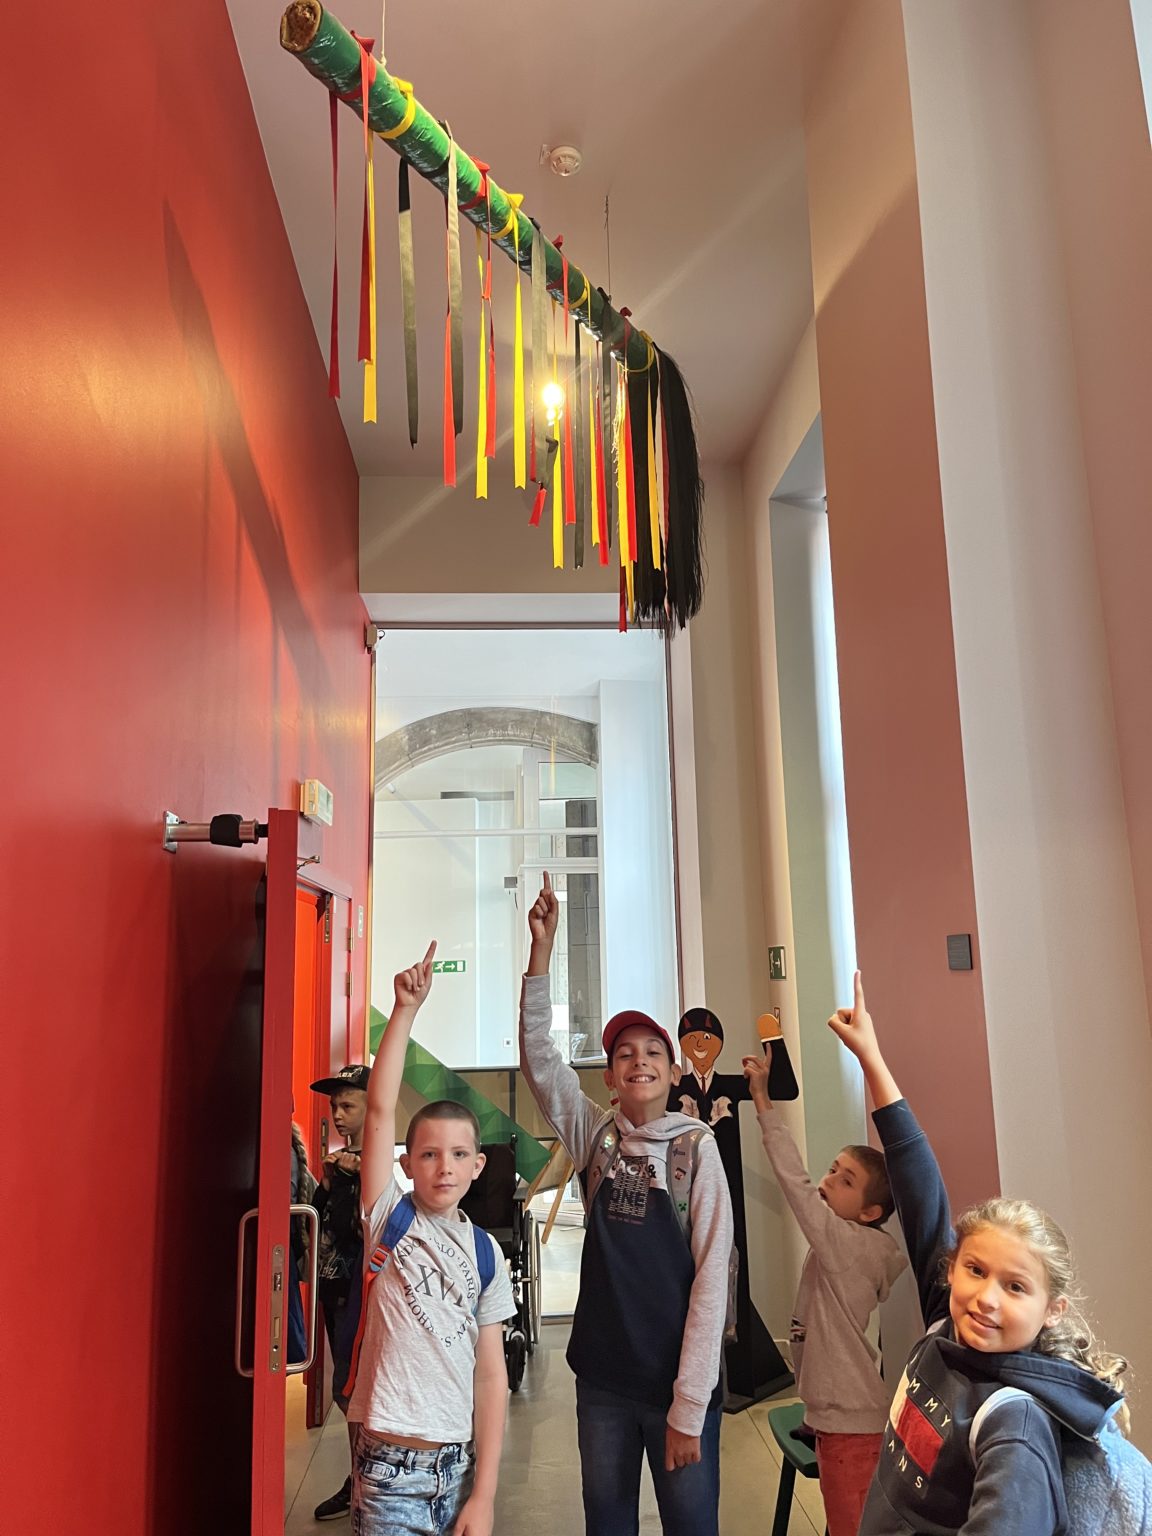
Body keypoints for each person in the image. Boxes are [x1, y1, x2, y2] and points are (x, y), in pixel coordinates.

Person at [831, 972, 1128, 1535]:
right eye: (975, 1270)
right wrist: (871, 1057)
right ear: (952, 1269)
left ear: (1053, 1310)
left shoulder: (1014, 1424)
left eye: (1015, 1287)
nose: (986, 1298)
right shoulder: (948, 1321)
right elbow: (919, 1187)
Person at [520, 873, 734, 1536]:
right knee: (607, 1522)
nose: (639, 1060)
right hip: (603, 1383)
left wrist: (689, 1401)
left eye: (653, 1052)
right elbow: (540, 1060)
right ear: (610, 1077)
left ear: (674, 1072)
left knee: (690, 1525)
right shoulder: (598, 1137)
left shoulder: (695, 1150)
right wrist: (542, 953)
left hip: (678, 1386)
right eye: (623, 1054)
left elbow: (712, 1281)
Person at [344, 940, 516, 1536]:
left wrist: (484, 1495)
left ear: (478, 1166)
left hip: (457, 1469)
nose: (445, 1167)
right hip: (389, 1471)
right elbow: (379, 1110)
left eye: (460, 1154)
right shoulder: (388, 1216)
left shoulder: (487, 1255)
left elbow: (491, 1377)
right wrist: (405, 1011)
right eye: (429, 1154)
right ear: (407, 1163)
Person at [742, 1051, 907, 1535]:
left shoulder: (846, 1244)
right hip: (834, 1414)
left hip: (849, 1427)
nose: (828, 1180)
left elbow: (795, 1183)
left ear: (869, 1213)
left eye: (845, 1180)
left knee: (848, 1525)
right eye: (833, 1169)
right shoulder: (852, 1241)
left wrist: (763, 1102)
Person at [674, 1006, 798, 1404]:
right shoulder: (676, 1086)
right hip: (686, 1189)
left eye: (707, 1039)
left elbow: (784, 1088)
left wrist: (773, 1040)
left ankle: (739, 1373)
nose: (700, 1045)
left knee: (735, 1259)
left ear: (720, 1043)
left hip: (730, 1190)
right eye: (692, 1039)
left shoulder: (731, 1083)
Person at [308, 1063, 370, 1521]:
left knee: (352, 1391)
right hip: (331, 1289)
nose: (338, 1115)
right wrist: (328, 1184)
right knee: (344, 1391)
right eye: (335, 1106)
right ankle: (360, 1478)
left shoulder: (378, 1168)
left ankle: (365, 1482)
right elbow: (313, 1223)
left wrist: (356, 1176)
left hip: (359, 1295)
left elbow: (368, 1228)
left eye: (348, 1105)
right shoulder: (338, 1163)